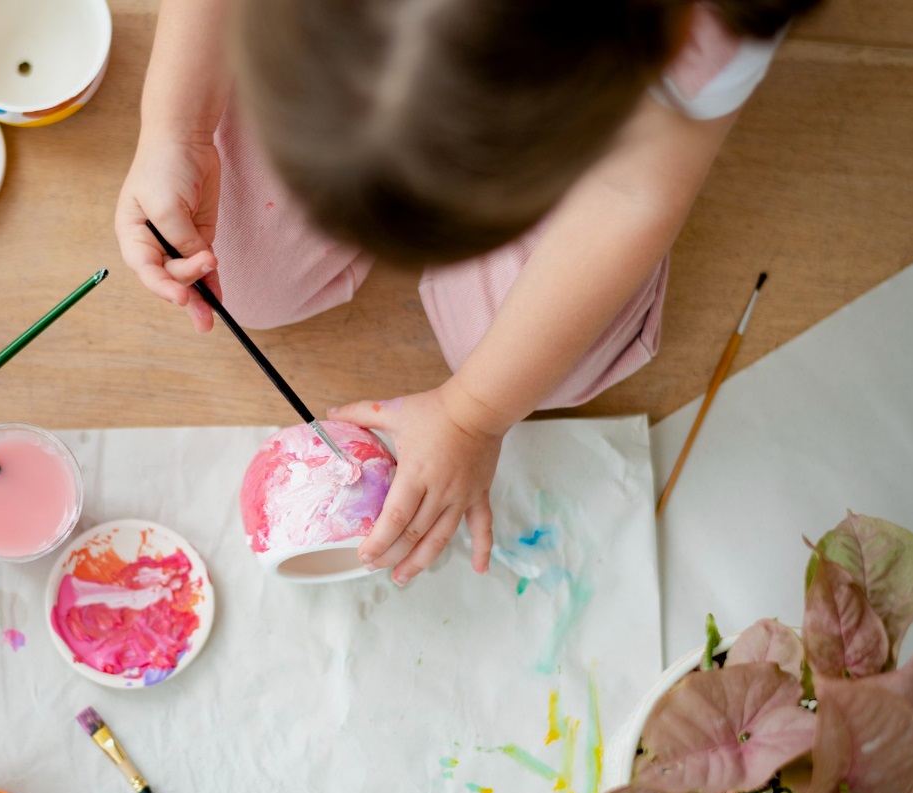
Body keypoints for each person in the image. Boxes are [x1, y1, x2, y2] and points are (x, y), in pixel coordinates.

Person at [115, 0, 818, 585]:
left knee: (553, 366)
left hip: (586, 86)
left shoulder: (699, 27)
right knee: (228, 265)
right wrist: (175, 130)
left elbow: (633, 191)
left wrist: (473, 414)